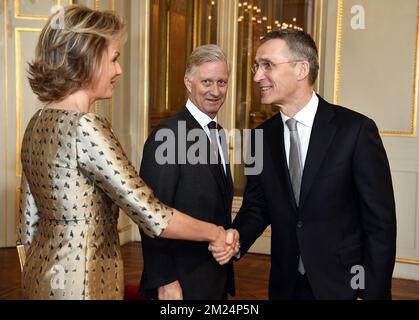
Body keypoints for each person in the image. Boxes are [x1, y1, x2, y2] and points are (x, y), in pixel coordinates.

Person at [18, 5, 235, 300]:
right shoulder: (87, 126)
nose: (119, 69)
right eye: (114, 59)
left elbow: (28, 223)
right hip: (82, 279)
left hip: (40, 275)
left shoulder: (37, 121)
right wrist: (216, 234)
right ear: (88, 59)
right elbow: (150, 212)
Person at [210, 29, 397, 300]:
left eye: (267, 66)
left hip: (346, 286)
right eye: (257, 66)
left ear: (301, 69)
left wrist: (371, 292)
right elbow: (256, 205)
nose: (256, 76)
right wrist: (235, 238)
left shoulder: (356, 131)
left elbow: (380, 224)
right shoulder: (260, 137)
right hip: (286, 285)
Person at [138, 45, 237, 300]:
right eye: (206, 81)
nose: (215, 91)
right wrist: (165, 280)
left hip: (213, 276)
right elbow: (150, 214)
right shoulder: (167, 136)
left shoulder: (218, 132)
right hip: (180, 283)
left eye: (222, 82)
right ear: (188, 82)